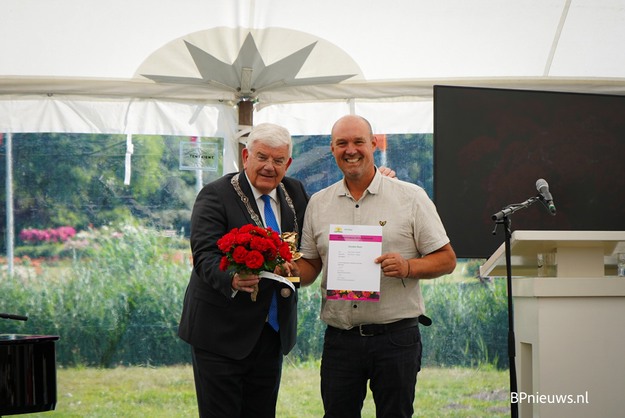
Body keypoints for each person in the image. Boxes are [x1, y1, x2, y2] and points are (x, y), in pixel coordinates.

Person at [295, 115, 457, 418]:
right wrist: (283, 271)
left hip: (396, 339)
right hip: (340, 340)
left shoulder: (411, 197)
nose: (351, 150)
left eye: (358, 141)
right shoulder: (318, 203)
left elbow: (447, 259)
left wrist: (408, 267)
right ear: (332, 148)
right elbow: (310, 266)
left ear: (373, 144)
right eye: (342, 143)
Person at [178, 122, 309, 418]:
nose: (269, 166)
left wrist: (381, 178)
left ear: (288, 164)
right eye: (262, 157)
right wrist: (233, 278)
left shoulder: (296, 192)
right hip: (220, 333)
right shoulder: (216, 195)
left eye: (278, 160)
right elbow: (204, 256)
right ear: (246, 156)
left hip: (271, 332)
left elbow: (321, 221)